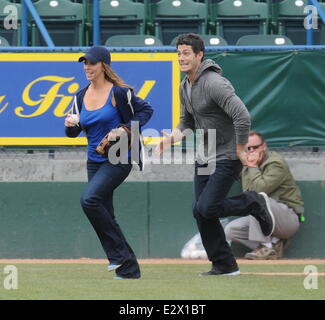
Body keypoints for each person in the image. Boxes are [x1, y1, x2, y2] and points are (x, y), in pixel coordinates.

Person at [156, 33, 276, 276]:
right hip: (205, 156)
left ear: (200, 55)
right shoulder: (184, 86)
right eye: (179, 53)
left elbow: (242, 116)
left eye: (186, 53)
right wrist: (171, 138)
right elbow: (186, 123)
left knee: (208, 207)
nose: (181, 58)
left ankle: (253, 202)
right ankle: (224, 264)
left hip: (228, 155)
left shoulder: (214, 83)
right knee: (199, 210)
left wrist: (241, 149)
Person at [64, 46, 153, 279]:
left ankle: (118, 256)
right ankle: (129, 269)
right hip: (93, 161)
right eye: (85, 63)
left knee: (89, 199)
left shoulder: (119, 93)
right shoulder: (80, 96)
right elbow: (72, 135)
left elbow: (146, 111)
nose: (87, 67)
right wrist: (71, 124)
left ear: (103, 66)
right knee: (106, 212)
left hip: (118, 158)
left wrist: (124, 129)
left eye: (91, 63)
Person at [224, 131, 304, 260]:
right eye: (247, 148)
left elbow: (257, 191)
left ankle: (267, 246)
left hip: (288, 219)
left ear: (264, 146)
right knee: (231, 230)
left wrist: (253, 167)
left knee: (256, 200)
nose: (251, 151)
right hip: (267, 218)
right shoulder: (247, 164)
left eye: (255, 147)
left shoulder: (275, 163)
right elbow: (247, 191)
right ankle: (272, 246)